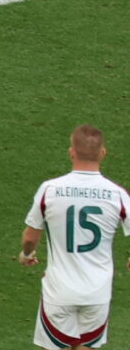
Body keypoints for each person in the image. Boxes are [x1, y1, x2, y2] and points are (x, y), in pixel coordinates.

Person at [19, 125, 130, 349]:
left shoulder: (50, 189)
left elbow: (31, 237)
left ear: (72, 152)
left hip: (59, 291)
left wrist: (26, 254)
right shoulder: (117, 194)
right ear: (102, 154)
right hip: (97, 292)